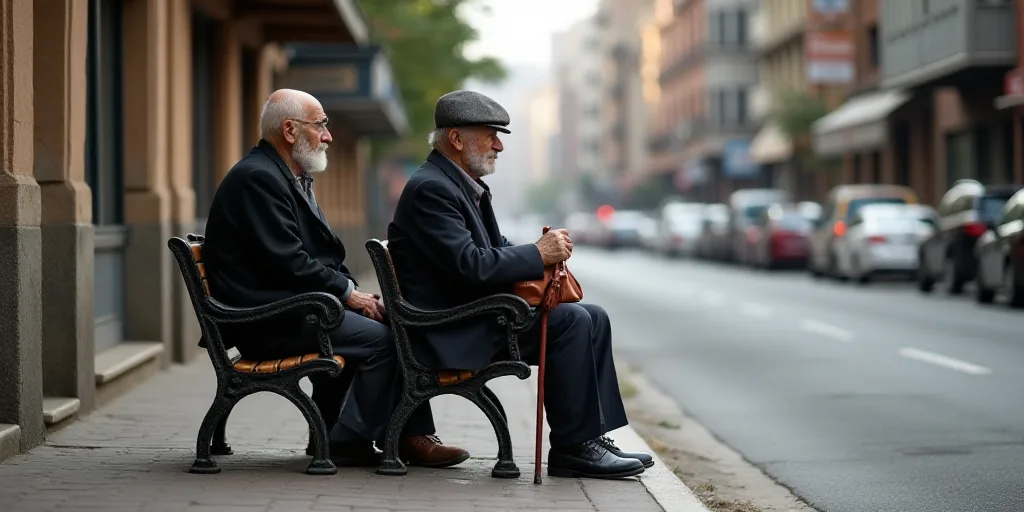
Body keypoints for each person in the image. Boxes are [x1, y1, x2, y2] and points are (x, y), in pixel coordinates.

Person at [386, 90, 654, 479]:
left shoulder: (459, 183)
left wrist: (539, 253)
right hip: (449, 328)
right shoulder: (433, 188)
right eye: (490, 135)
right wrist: (537, 253)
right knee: (573, 322)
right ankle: (573, 447)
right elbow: (471, 266)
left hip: (470, 317)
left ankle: (589, 438)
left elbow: (491, 249)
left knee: (593, 316)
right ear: (457, 139)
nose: (499, 145)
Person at [202, 88, 469, 468]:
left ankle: (404, 435)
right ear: (290, 130)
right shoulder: (258, 178)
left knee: (398, 323)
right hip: (265, 320)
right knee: (386, 342)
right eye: (321, 126)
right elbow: (288, 262)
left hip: (293, 308)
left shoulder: (285, 174)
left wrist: (358, 295)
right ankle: (349, 439)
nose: (328, 135)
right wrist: (349, 295)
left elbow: (315, 258)